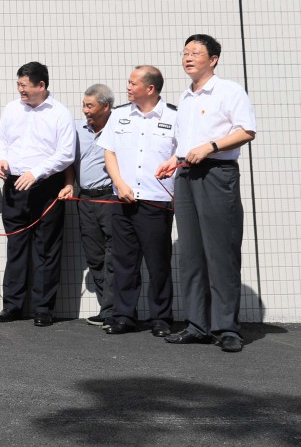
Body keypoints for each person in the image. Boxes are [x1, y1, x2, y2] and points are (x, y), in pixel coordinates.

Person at [157, 35, 256, 353]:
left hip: (216, 174)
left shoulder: (229, 91)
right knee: (191, 254)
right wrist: (174, 160)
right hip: (186, 175)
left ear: (213, 59)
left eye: (195, 52)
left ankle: (226, 327)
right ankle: (197, 324)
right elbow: (184, 142)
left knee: (221, 252)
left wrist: (210, 147)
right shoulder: (185, 97)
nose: (187, 57)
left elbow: (246, 130)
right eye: (184, 52)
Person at [0, 62, 76, 327]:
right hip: (14, 185)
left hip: (46, 186)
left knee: (46, 249)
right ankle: (12, 306)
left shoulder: (60, 113)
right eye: (18, 85)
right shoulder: (11, 108)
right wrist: (1, 159)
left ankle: (43, 308)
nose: (20, 91)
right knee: (16, 247)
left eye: (24, 86)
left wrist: (36, 173)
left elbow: (66, 154)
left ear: (41, 85)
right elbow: (0, 139)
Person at [98, 66, 177, 337]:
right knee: (124, 262)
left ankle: (161, 319)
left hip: (156, 202)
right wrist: (119, 184)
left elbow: (182, 157)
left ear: (150, 89)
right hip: (122, 200)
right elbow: (109, 153)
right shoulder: (119, 115)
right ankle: (123, 317)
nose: (128, 87)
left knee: (158, 264)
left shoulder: (175, 116)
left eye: (133, 83)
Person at [59, 84, 116, 328]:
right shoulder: (77, 129)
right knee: (94, 255)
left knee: (116, 255)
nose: (85, 110)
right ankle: (107, 309)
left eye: (90, 106)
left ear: (106, 106)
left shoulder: (119, 127)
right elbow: (69, 161)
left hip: (112, 199)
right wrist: (70, 184)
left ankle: (118, 310)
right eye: (84, 105)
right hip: (85, 199)